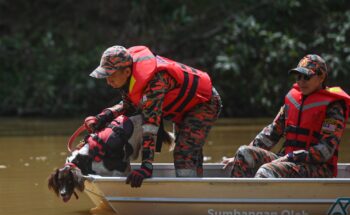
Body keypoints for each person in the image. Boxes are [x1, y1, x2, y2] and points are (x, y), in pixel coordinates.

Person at [87, 45, 222, 187]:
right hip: (185, 107)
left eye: (110, 75)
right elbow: (128, 106)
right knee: (189, 150)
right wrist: (103, 116)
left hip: (205, 103)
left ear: (126, 71)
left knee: (184, 151)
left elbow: (150, 126)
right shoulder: (130, 80)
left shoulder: (155, 83)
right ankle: (196, 186)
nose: (108, 81)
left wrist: (146, 167)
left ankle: (191, 192)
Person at [223, 54, 350, 178]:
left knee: (267, 170)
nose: (301, 82)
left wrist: (292, 156)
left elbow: (325, 151)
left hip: (318, 168)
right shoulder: (292, 102)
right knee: (244, 152)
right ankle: (240, 197)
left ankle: (257, 198)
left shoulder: (333, 107)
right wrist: (237, 158)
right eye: (298, 77)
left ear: (321, 77)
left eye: (306, 77)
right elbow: (271, 133)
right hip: (288, 160)